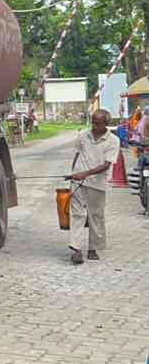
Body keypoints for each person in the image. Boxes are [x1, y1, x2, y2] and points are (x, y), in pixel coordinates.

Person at [68, 109, 120, 264]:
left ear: (106, 123)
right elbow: (76, 154)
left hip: (97, 184)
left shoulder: (113, 141)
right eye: (93, 122)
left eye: (97, 123)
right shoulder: (83, 136)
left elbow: (106, 165)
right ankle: (76, 249)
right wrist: (73, 173)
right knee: (78, 214)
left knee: (95, 216)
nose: (94, 125)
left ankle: (93, 248)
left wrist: (86, 173)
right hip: (78, 182)